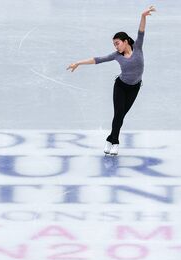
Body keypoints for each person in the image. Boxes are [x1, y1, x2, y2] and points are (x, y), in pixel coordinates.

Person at [67, 6, 156, 155]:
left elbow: (141, 31)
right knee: (118, 114)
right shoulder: (116, 55)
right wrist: (78, 63)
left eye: (117, 43)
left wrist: (143, 16)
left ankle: (109, 138)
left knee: (121, 116)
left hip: (135, 88)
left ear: (126, 41)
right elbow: (97, 59)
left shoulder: (138, 47)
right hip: (120, 87)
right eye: (114, 44)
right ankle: (115, 143)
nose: (116, 46)